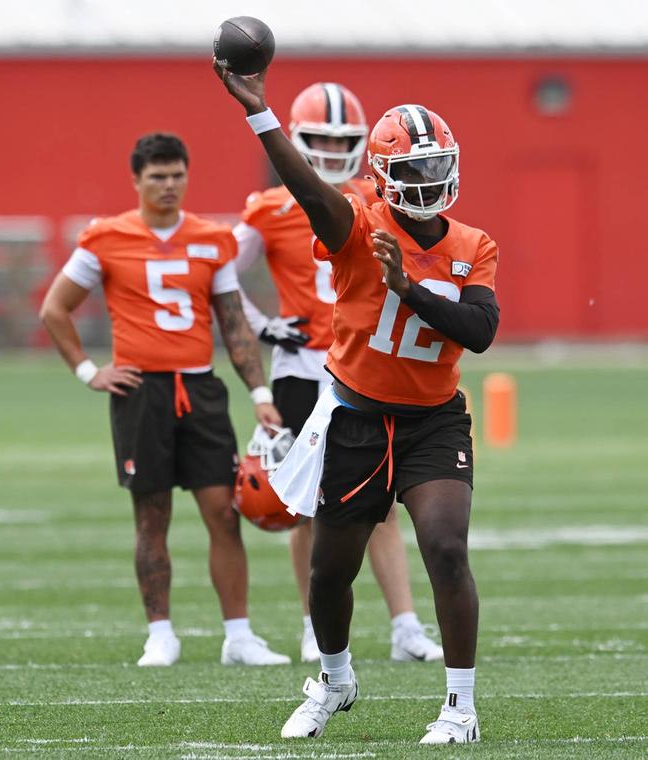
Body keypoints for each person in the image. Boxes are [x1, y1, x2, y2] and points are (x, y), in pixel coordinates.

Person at [215, 65, 499, 744]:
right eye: (416, 168)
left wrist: (410, 289)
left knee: (446, 547)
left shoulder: (471, 246)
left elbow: (480, 332)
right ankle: (336, 678)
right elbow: (306, 187)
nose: (430, 181)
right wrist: (259, 114)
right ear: (385, 174)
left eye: (438, 166)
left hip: (434, 420)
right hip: (357, 417)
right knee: (329, 569)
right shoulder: (356, 226)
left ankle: (460, 707)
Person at [40, 133, 291, 668]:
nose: (169, 185)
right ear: (136, 180)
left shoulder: (211, 238)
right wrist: (89, 370)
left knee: (224, 513)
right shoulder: (105, 238)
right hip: (141, 390)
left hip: (200, 387)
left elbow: (234, 324)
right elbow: (54, 309)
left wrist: (260, 392)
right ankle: (160, 633)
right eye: (157, 176)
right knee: (151, 516)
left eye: (177, 174)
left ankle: (239, 635)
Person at [234, 82, 443, 665]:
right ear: (296, 141)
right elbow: (216, 278)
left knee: (381, 503)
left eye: (340, 140)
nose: (328, 149)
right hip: (303, 368)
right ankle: (310, 622)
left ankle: (404, 625)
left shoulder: (376, 200)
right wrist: (265, 325)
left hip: (366, 369)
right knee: (309, 502)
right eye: (318, 139)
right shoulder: (270, 207)